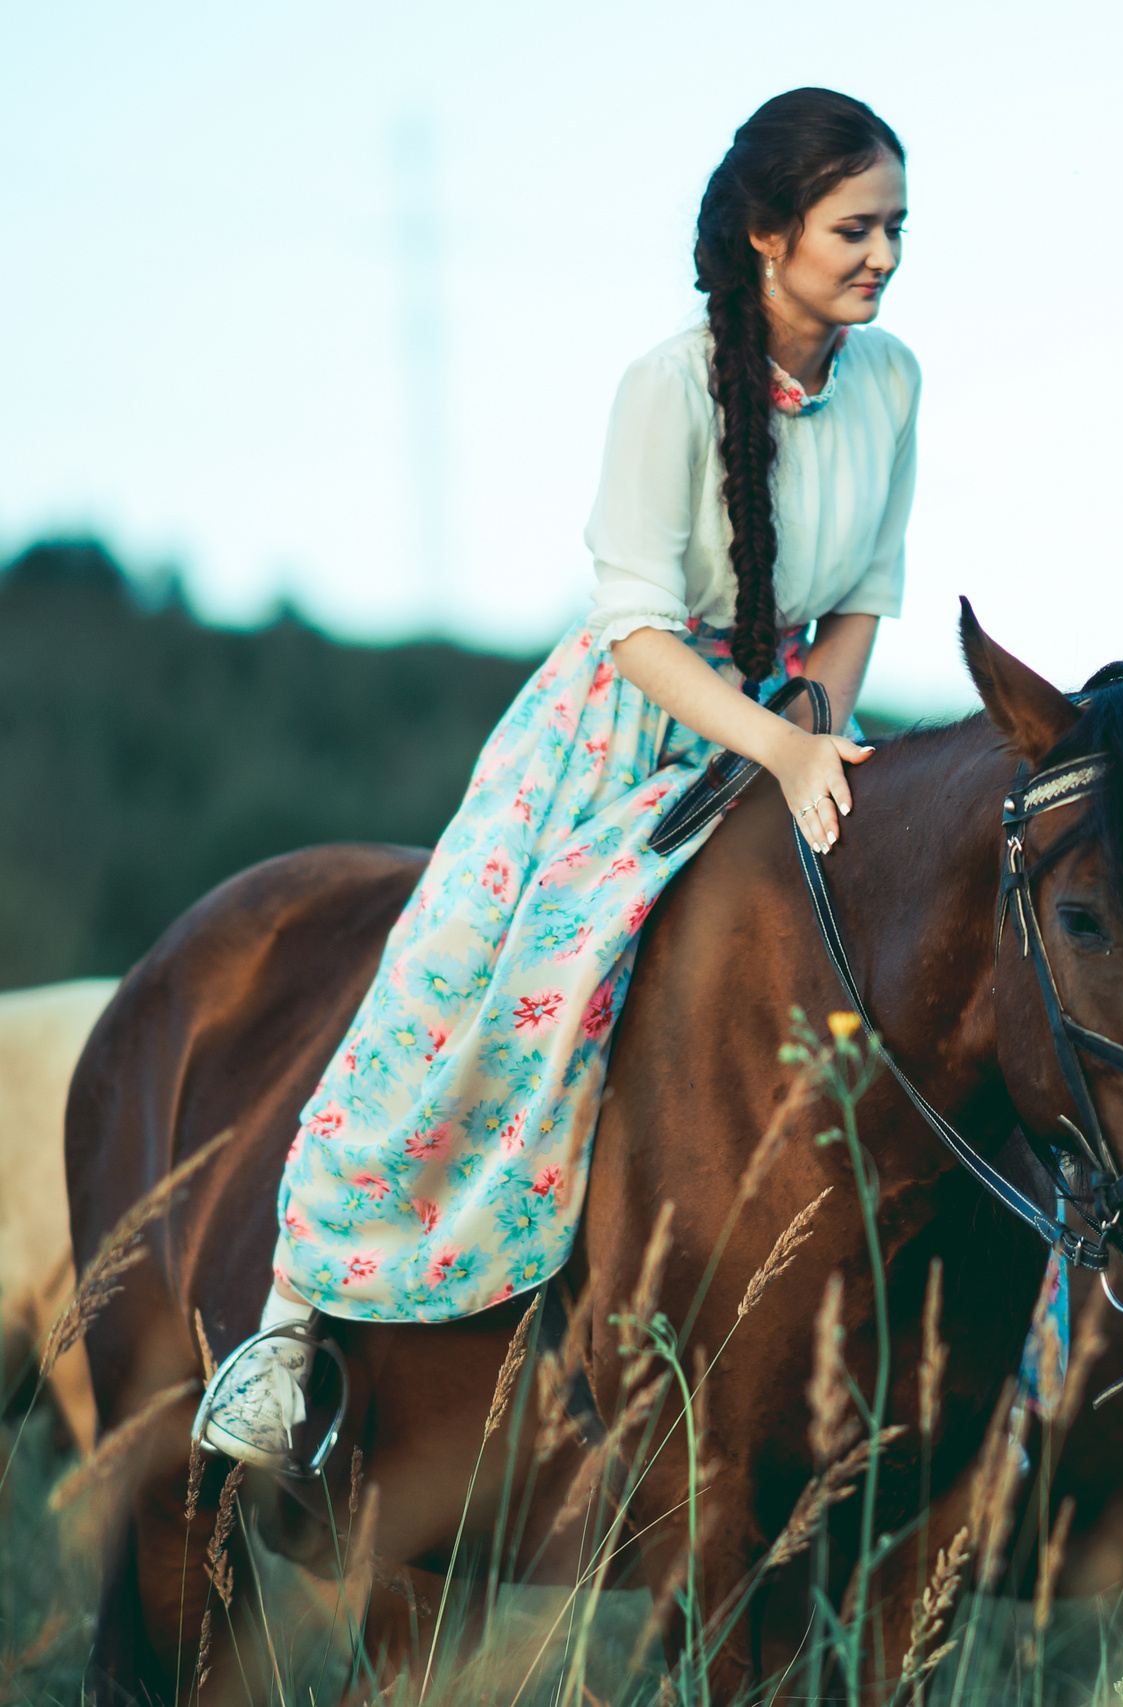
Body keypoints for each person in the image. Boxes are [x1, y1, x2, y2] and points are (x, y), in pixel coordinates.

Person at [194, 88, 918, 1470]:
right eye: (854, 228)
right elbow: (635, 623)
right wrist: (768, 738)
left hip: (798, 715)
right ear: (770, 234)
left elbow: (866, 594)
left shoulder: (895, 381)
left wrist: (811, 726)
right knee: (467, 973)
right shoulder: (667, 383)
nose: (882, 255)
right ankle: (289, 1326)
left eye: (897, 228)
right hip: (628, 723)